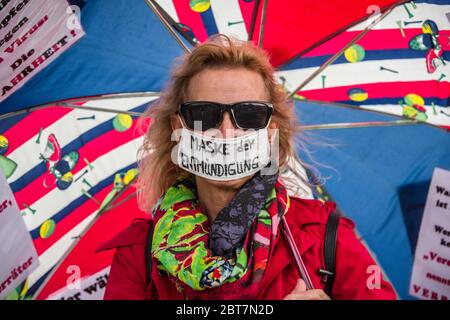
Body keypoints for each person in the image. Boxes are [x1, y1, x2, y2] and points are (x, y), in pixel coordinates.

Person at [98, 35, 397, 300]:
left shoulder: (326, 237)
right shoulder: (140, 254)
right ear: (179, 126)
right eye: (205, 114)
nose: (227, 132)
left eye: (249, 115)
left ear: (271, 130)